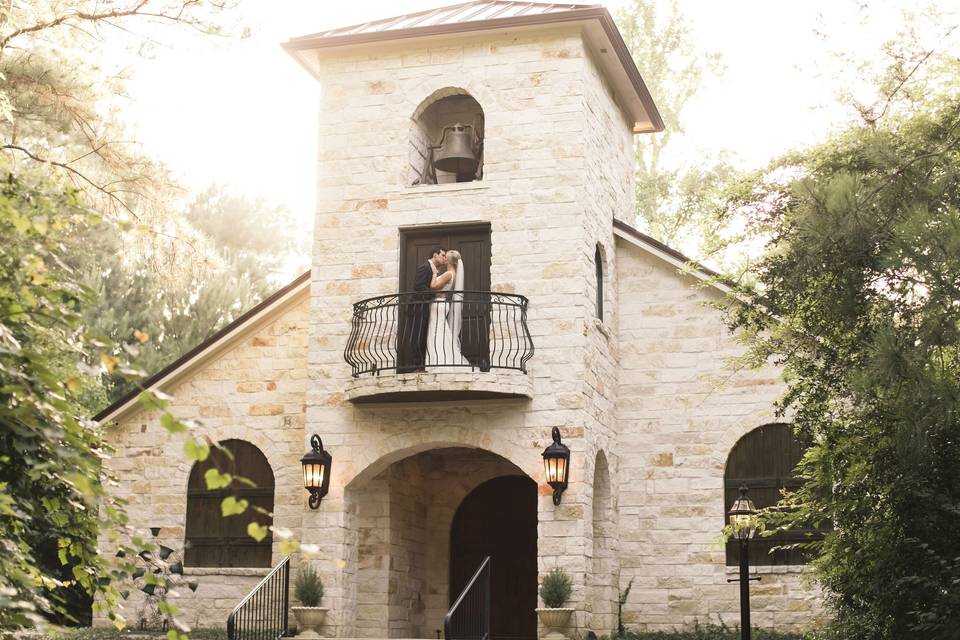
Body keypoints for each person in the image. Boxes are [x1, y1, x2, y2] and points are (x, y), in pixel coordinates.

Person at [398, 246, 446, 373]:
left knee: (421, 337)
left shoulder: (434, 269)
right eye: (442, 255)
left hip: (424, 307)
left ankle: (421, 365)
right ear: (435, 255)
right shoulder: (425, 267)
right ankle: (416, 367)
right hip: (417, 307)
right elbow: (418, 286)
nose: (444, 258)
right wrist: (435, 294)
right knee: (416, 336)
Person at [425, 249, 470, 369]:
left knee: (435, 332)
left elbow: (433, 286)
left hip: (439, 304)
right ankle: (439, 360)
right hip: (442, 303)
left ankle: (437, 362)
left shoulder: (448, 274)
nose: (444, 258)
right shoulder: (453, 273)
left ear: (449, 261)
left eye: (446, 257)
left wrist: (434, 273)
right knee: (440, 331)